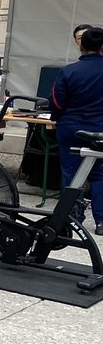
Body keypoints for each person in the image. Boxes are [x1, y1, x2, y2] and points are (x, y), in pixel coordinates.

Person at [50, 26, 103, 235]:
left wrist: (56, 117)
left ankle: (73, 217)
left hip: (71, 127)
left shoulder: (69, 71)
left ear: (81, 45)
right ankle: (101, 221)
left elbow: (56, 101)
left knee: (71, 174)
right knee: (100, 175)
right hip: (100, 128)